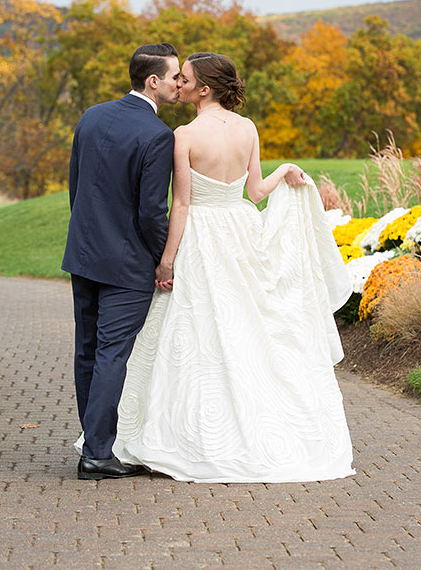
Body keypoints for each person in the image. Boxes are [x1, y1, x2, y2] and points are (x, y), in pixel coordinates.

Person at [109, 52, 355, 482]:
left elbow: (182, 204)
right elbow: (256, 192)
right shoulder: (248, 128)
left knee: (199, 329)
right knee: (245, 327)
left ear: (204, 89)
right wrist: (285, 171)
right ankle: (257, 427)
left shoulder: (182, 134)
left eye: (184, 79)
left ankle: (195, 437)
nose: (178, 84)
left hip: (203, 235)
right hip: (241, 230)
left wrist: (166, 260)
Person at [61, 43, 180, 480]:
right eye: (173, 77)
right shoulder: (157, 135)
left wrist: (86, 238)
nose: (178, 84)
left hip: (84, 253)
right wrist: (163, 258)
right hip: (128, 264)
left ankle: (94, 442)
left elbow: (76, 185)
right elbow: (152, 211)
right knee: (113, 353)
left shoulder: (91, 116)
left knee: (87, 350)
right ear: (153, 81)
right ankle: (96, 452)